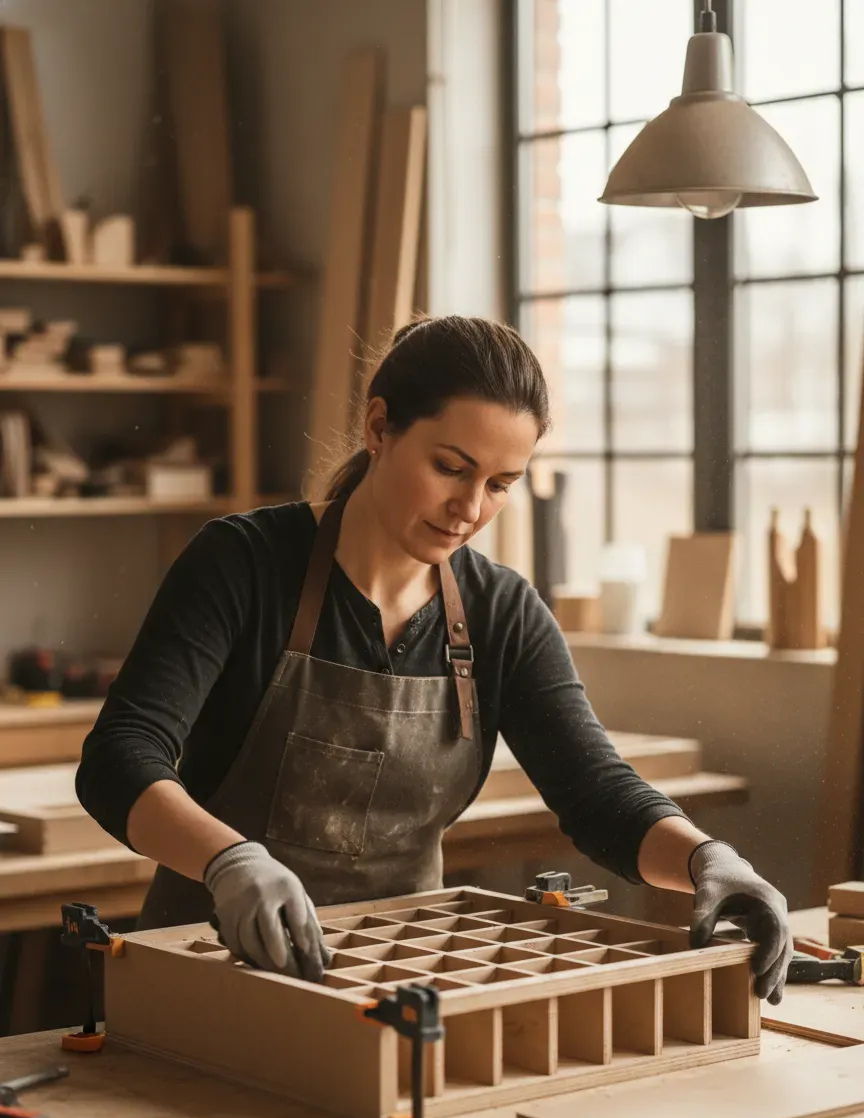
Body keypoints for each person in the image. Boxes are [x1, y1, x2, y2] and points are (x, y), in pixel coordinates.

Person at [76, 315, 792, 1001]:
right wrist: (228, 862)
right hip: (208, 961)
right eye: (452, 467)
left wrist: (708, 858)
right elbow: (120, 758)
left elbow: (595, 793)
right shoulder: (244, 566)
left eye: (501, 485)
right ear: (379, 426)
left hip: (399, 974)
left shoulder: (501, 613)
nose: (470, 509)